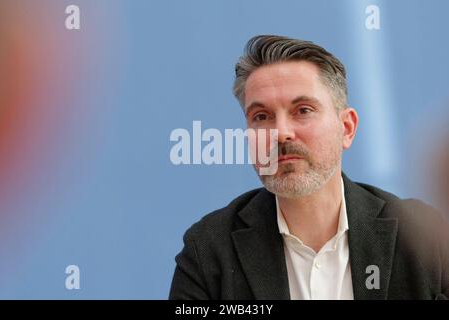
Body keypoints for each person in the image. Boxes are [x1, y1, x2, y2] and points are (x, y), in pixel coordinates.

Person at [169, 35, 449, 300]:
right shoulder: (208, 250)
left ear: (347, 128)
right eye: (261, 116)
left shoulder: (423, 240)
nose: (280, 133)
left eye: (303, 110)